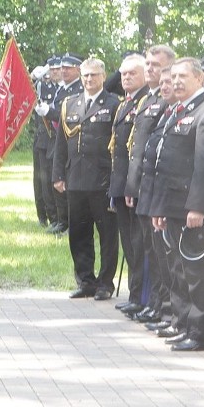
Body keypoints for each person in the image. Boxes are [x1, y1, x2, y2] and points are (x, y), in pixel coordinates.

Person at [148, 57, 204, 351]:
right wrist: (159, 207)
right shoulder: (175, 111)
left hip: (193, 209)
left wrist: (198, 207)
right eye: (175, 76)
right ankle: (183, 323)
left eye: (184, 76)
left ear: (199, 79)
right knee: (178, 270)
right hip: (172, 206)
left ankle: (202, 332)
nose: (177, 81)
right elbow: (162, 164)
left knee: (198, 272)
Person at [52, 57, 120, 300]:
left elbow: (118, 146)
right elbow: (61, 142)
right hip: (76, 179)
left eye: (93, 75)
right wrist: (58, 174)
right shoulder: (70, 104)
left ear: (103, 76)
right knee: (79, 234)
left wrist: (116, 180)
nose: (89, 79)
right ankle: (85, 281)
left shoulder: (113, 104)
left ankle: (105, 283)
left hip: (102, 181)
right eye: (86, 75)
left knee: (108, 235)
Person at [122, 45, 177, 324]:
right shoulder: (147, 100)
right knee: (147, 249)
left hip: (159, 189)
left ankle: (162, 306)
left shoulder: (169, 100)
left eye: (156, 64)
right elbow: (137, 148)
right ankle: (153, 303)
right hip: (143, 185)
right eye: (148, 63)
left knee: (159, 254)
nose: (150, 69)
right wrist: (132, 185)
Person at [108, 53, 149, 312]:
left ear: (144, 75)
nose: (125, 78)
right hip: (121, 184)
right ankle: (135, 296)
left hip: (135, 186)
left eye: (132, 73)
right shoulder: (125, 104)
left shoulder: (146, 101)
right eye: (123, 74)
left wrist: (132, 186)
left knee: (138, 244)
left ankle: (141, 298)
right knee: (129, 243)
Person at [40, 52, 84, 235]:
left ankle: (71, 222)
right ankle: (61, 219)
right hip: (55, 139)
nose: (63, 71)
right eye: (62, 68)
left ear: (77, 69)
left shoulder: (79, 89)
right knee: (55, 178)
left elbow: (71, 115)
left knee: (67, 183)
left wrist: (49, 112)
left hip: (71, 139)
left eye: (68, 68)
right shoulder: (63, 89)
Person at [31, 58, 59, 230]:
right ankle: (43, 215)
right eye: (53, 69)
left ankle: (56, 216)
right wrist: (33, 77)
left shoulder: (62, 88)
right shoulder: (41, 85)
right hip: (42, 136)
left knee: (52, 179)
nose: (54, 73)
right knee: (40, 179)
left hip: (55, 137)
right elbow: (24, 92)